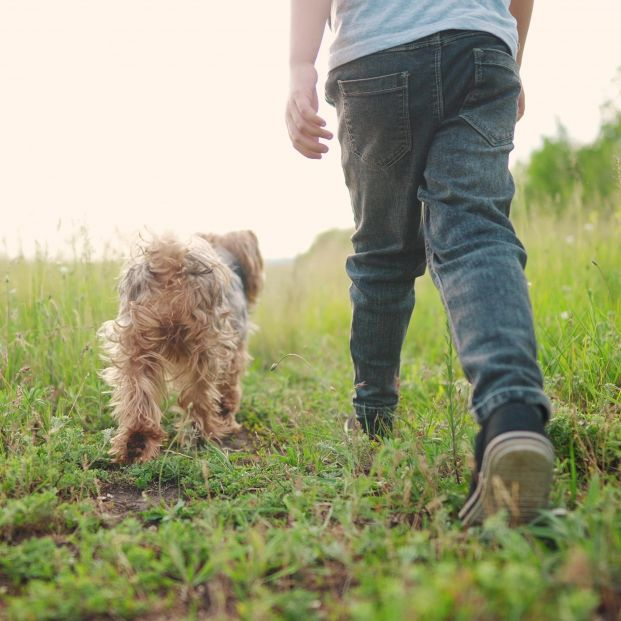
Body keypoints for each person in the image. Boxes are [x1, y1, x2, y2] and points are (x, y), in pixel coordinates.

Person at [285, 0, 554, 526]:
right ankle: (512, 412)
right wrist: (512, 56)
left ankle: (374, 421)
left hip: (377, 53)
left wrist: (300, 64)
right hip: (481, 45)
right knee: (477, 232)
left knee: (383, 253)